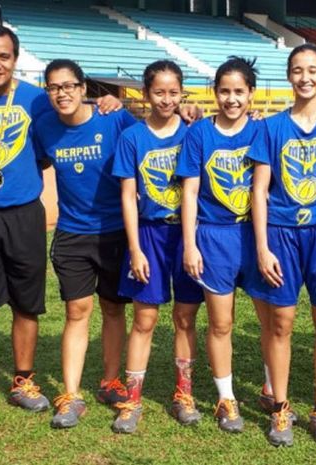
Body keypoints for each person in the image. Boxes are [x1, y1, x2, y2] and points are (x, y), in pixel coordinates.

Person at [0, 25, 121, 427]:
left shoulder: (39, 99)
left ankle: (23, 382)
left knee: (27, 304)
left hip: (25, 213)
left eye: (4, 56)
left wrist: (107, 99)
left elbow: (73, 110)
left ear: (15, 60)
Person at [247, 43, 316, 447]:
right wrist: (262, 247)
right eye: (298, 69)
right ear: (289, 75)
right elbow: (259, 191)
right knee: (280, 323)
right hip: (280, 234)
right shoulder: (270, 128)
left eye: (313, 69)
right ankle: (280, 407)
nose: (306, 77)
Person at [34, 59, 137, 428]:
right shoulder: (44, 127)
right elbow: (35, 163)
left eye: (68, 86)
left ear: (82, 89)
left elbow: (157, 134)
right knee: (77, 311)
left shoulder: (114, 118)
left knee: (113, 309)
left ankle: (110, 381)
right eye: (53, 87)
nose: (61, 93)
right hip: (72, 234)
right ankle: (71, 394)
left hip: (115, 233)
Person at [176, 56, 268, 433]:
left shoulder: (262, 131)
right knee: (221, 323)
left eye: (239, 92)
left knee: (271, 320)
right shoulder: (198, 134)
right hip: (214, 237)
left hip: (258, 234)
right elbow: (190, 191)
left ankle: (272, 389)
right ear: (215, 93)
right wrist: (190, 244)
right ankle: (226, 398)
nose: (232, 99)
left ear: (251, 94)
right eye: (225, 91)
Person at [111, 60, 203, 434]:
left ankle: (184, 393)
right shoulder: (132, 137)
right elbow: (129, 197)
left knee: (185, 317)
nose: (166, 99)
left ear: (182, 93)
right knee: (145, 318)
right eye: (159, 92)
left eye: (173, 92)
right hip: (148, 234)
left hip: (187, 235)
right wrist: (134, 248)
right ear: (146, 94)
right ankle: (132, 400)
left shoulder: (194, 133)